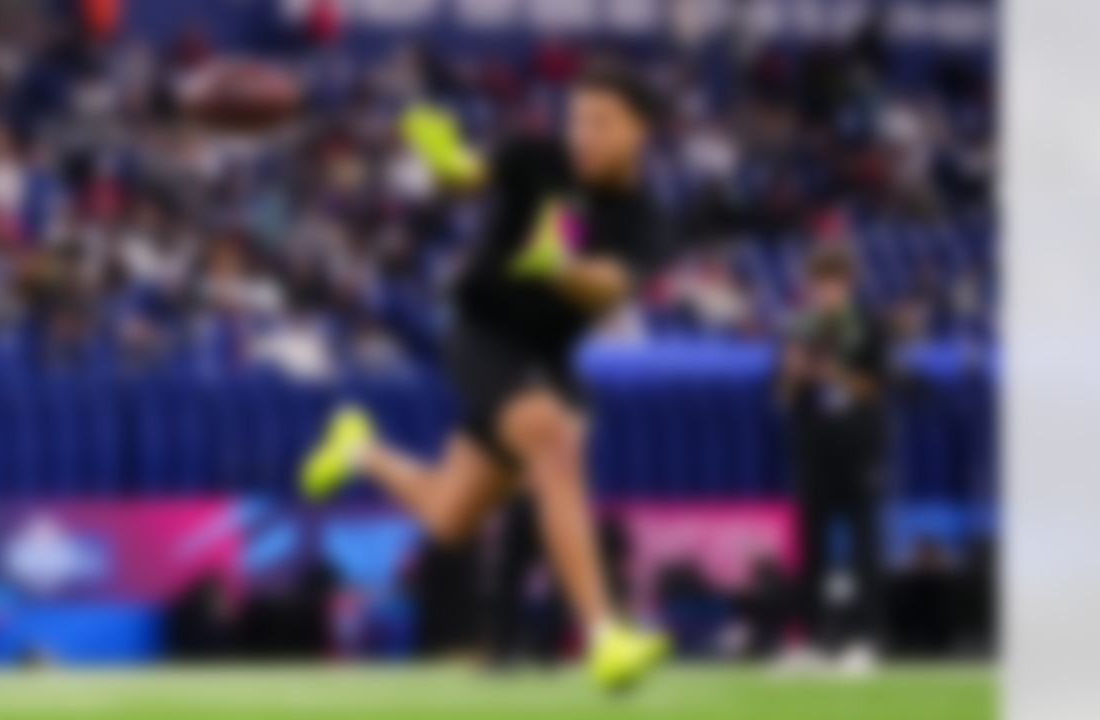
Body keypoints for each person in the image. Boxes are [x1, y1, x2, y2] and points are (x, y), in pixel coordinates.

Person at [299, 65, 738, 690]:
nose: (583, 133)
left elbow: (607, 290)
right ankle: (604, 635)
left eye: (601, 122)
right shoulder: (537, 156)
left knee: (450, 518)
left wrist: (560, 265)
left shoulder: (647, 218)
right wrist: (445, 157)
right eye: (577, 118)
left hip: (547, 358)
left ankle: (358, 446)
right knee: (555, 442)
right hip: (482, 331)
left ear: (640, 131)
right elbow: (465, 179)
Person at [777, 246, 890, 674]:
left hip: (859, 448)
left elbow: (877, 389)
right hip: (813, 448)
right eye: (820, 282)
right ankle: (813, 641)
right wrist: (793, 373)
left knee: (864, 548)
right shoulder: (799, 328)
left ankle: (867, 640)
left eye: (835, 282)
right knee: (811, 551)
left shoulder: (869, 327)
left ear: (849, 284)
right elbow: (783, 396)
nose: (827, 290)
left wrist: (832, 373)